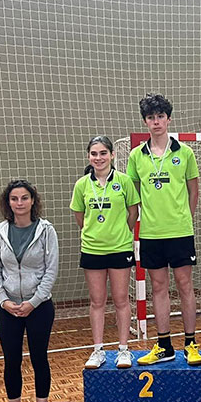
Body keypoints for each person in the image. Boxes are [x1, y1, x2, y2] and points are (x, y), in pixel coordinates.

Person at [126, 93, 201, 365]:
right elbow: (134, 198)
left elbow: (194, 191)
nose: (156, 122)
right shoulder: (136, 156)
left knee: (184, 285)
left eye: (160, 116)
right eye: (150, 117)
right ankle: (164, 345)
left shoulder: (185, 152)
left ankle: (191, 343)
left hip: (180, 232)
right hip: (151, 233)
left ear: (168, 119)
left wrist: (185, 219)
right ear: (145, 122)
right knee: (159, 287)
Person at [0, 179, 59, 402]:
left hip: (39, 307)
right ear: (8, 203)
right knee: (11, 361)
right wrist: (4, 301)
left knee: (39, 358)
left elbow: (51, 271)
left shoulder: (46, 230)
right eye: (14, 198)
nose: (19, 203)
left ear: (32, 200)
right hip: (7, 309)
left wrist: (33, 302)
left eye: (24, 198)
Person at [70, 136, 141, 370]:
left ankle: (123, 350)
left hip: (120, 248)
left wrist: (120, 232)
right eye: (94, 154)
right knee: (97, 301)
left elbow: (133, 212)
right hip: (92, 249)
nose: (98, 158)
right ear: (88, 156)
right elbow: (81, 218)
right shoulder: (82, 185)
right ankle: (98, 350)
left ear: (112, 155)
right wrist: (96, 232)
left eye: (103, 153)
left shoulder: (124, 181)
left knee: (121, 299)